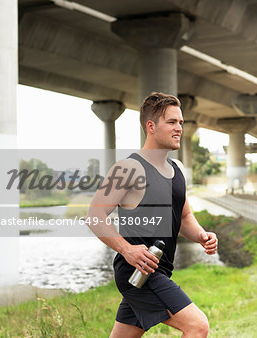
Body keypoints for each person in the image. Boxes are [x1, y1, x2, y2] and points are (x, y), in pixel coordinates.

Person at [86, 92, 218, 337]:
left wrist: (202, 235)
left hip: (157, 271)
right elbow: (95, 216)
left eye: (181, 122)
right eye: (171, 122)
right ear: (151, 126)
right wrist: (127, 249)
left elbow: (185, 216)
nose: (179, 128)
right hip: (136, 272)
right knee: (198, 326)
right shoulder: (128, 168)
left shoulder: (177, 169)